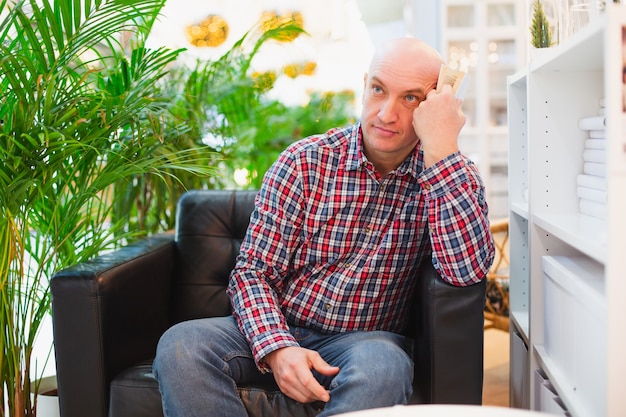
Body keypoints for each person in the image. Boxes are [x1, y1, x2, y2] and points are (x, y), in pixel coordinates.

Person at [153, 36, 495, 417]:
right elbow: (252, 273)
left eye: (411, 98)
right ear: (365, 84)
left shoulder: (449, 174)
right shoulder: (304, 162)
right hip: (277, 322)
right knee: (180, 346)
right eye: (378, 89)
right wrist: (278, 348)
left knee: (386, 368)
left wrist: (442, 150)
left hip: (364, 343)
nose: (385, 114)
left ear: (435, 104)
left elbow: (464, 273)